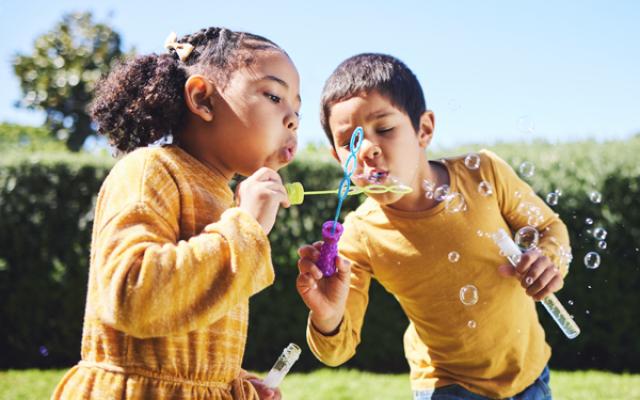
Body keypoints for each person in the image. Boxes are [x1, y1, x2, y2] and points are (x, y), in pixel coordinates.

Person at [295, 53, 571, 399]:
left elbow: (549, 226)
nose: (367, 149)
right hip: (446, 386)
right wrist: (327, 315)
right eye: (350, 143)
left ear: (423, 129)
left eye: (384, 129)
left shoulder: (484, 173)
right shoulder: (359, 235)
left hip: (530, 375)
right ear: (338, 158)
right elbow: (336, 351)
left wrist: (548, 258)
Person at [53, 26, 300, 399]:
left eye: (296, 108)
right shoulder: (151, 170)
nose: (293, 119)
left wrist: (231, 383)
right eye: (274, 96)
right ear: (202, 99)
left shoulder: (224, 198)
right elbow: (132, 295)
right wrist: (244, 228)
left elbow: (186, 333)